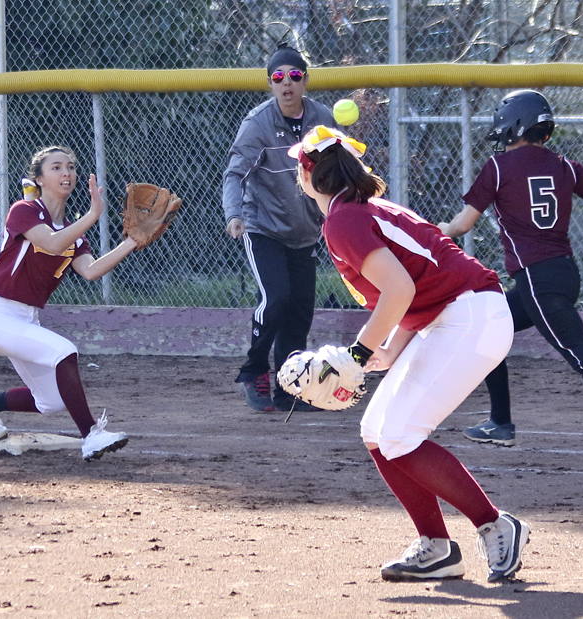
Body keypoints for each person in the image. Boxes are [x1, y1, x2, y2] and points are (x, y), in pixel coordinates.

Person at [287, 125, 530, 583]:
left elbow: (400, 288)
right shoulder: (357, 210)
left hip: (470, 316)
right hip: (455, 315)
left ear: (310, 176)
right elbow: (408, 290)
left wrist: (357, 355)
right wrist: (387, 350)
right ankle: (437, 548)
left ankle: (495, 524)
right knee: (378, 432)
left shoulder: (343, 219)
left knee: (400, 433)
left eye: (299, 167)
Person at [437, 89, 583, 470]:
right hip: (561, 273)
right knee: (486, 327)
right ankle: (500, 423)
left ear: (513, 126)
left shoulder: (499, 166)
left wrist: (437, 230)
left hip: (537, 281)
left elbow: (462, 225)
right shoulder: (564, 165)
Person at [0, 145, 137, 462]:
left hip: (27, 320)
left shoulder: (75, 234)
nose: (66, 172)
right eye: (56, 167)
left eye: (70, 166)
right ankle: (92, 435)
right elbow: (52, 242)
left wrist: (130, 243)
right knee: (64, 351)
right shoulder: (24, 211)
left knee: (52, 401)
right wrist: (94, 215)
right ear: (39, 178)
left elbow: (91, 271)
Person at [222, 42, 336, 413]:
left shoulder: (322, 119)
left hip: (305, 231)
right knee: (276, 299)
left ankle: (291, 389)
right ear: (270, 84)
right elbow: (235, 173)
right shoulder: (258, 124)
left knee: (300, 312)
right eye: (277, 77)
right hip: (263, 227)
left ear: (305, 80)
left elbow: (338, 169)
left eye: (294, 76)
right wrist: (234, 214)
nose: (286, 84)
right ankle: (255, 370)